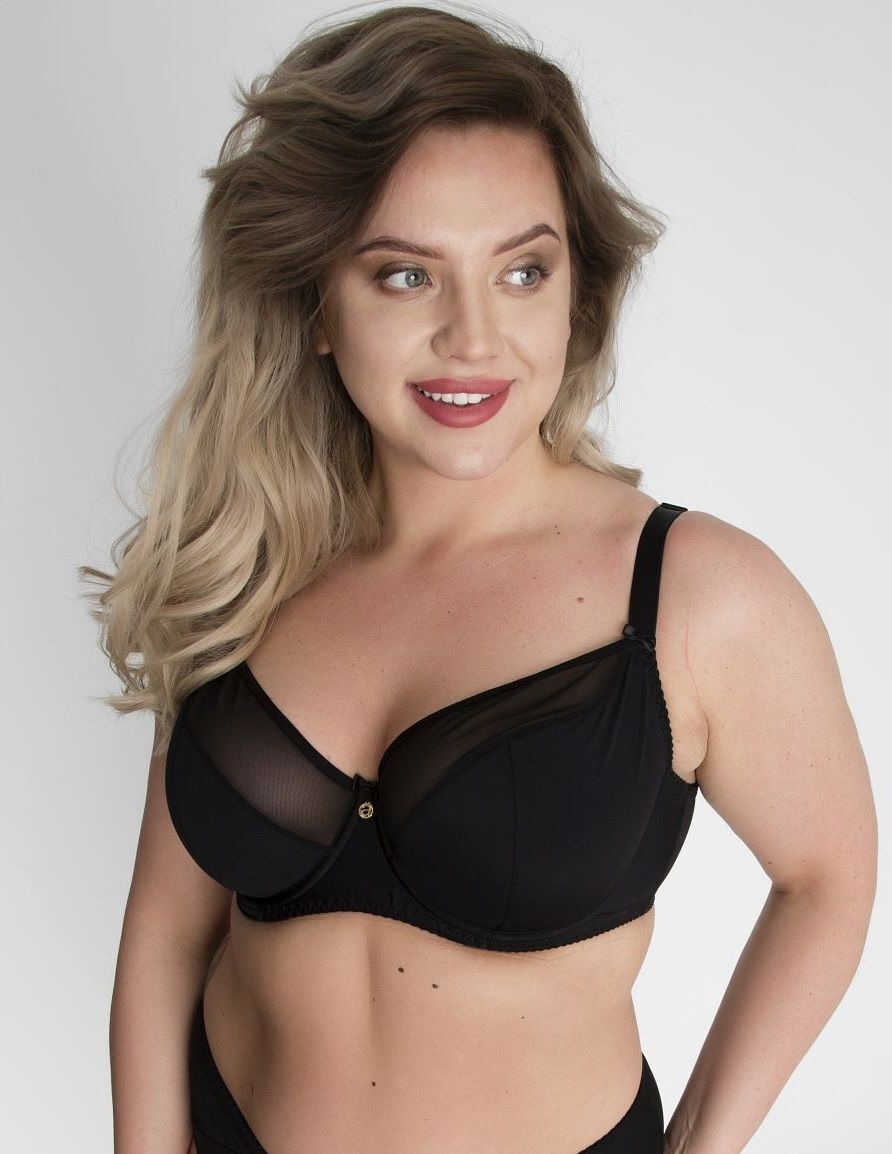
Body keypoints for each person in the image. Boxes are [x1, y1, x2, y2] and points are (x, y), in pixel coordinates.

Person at [83, 5, 877, 1153]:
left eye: (521, 270)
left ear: (575, 290)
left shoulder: (696, 597)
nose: (473, 336)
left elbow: (829, 874)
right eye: (406, 274)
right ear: (314, 302)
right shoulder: (244, 557)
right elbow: (164, 937)